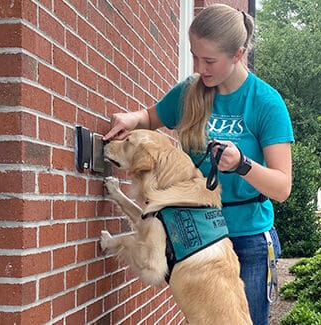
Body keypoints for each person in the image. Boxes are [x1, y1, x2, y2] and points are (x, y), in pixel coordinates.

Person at [103, 4, 294, 325]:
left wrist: (242, 164)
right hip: (192, 232)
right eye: (194, 56)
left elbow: (282, 187)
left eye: (209, 61)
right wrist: (132, 119)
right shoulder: (191, 91)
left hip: (247, 239)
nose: (199, 67)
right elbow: (152, 117)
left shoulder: (265, 103)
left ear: (237, 55)